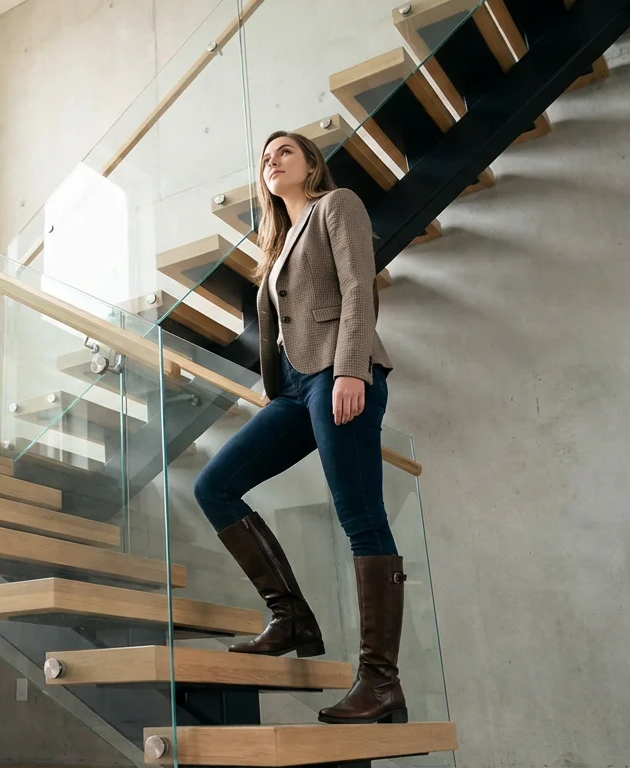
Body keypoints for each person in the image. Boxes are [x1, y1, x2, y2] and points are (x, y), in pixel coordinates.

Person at [192, 129, 405, 725]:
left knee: (361, 517)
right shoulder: (278, 242)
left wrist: (352, 368)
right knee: (214, 486)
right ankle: (290, 617)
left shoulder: (336, 206)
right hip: (292, 390)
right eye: (264, 157)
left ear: (312, 165)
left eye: (284, 151)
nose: (271, 161)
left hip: (338, 373)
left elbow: (359, 287)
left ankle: (381, 682)